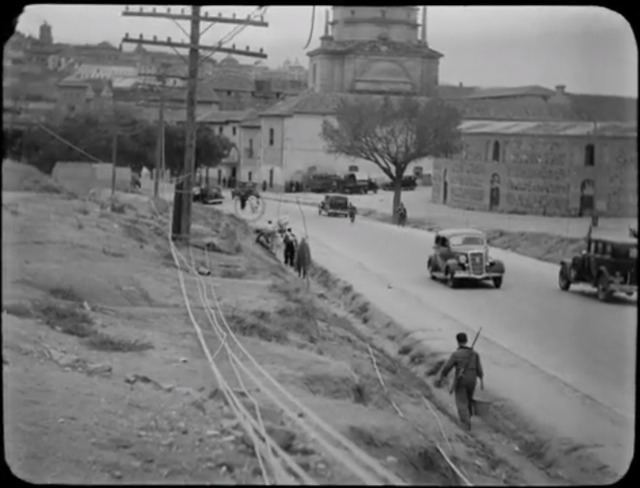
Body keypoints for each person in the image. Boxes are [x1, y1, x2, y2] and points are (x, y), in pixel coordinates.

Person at [435, 332, 484, 431]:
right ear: (466, 340)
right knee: (469, 398)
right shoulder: (474, 354)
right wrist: (481, 379)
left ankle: (466, 425)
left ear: (457, 341)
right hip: (472, 380)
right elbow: (479, 369)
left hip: (462, 379)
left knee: (461, 402)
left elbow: (447, 367)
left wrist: (442, 376)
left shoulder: (456, 354)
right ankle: (469, 417)